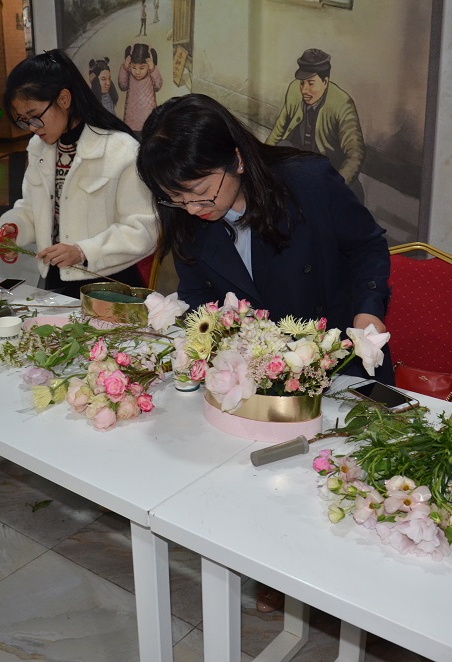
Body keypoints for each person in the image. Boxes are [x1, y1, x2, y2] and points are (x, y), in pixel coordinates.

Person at [137, 94, 390, 613]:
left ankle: (344, 588)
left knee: (343, 493)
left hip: (336, 363)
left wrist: (368, 312)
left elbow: (367, 246)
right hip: (259, 376)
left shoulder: (308, 183)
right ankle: (276, 565)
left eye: (200, 194)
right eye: (176, 200)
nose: (192, 210)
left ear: (234, 158)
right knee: (254, 482)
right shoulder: (188, 215)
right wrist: (206, 344)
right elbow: (202, 297)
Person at [0, 49, 157, 299]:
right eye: (23, 121)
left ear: (63, 99)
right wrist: (14, 227)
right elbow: (31, 207)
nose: (31, 128)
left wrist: (83, 251)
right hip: (55, 277)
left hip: (109, 284)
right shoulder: (39, 148)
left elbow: (143, 230)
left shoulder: (120, 150)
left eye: (34, 117)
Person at [266, 48, 366, 201]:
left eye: (311, 83)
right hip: (302, 164)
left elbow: (355, 154)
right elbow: (278, 131)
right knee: (281, 147)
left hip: (329, 169)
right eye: (302, 83)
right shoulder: (294, 90)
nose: (304, 90)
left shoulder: (342, 104)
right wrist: (261, 161)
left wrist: (334, 186)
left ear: (325, 82)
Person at [119, 43, 162, 134]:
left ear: (148, 65)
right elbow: (122, 86)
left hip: (148, 116)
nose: (137, 72)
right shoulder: (129, 72)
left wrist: (153, 69)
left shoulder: (151, 72)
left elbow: (158, 86)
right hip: (131, 118)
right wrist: (125, 68)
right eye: (134, 67)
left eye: (142, 68)